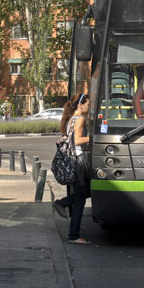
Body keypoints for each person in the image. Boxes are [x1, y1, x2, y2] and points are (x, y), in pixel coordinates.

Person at [52, 93, 92, 245]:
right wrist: (93, 137)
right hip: (79, 163)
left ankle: (62, 204)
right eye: (88, 104)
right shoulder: (80, 118)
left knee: (83, 194)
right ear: (81, 105)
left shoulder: (70, 119)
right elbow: (78, 141)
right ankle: (73, 235)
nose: (90, 106)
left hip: (72, 161)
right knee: (81, 198)